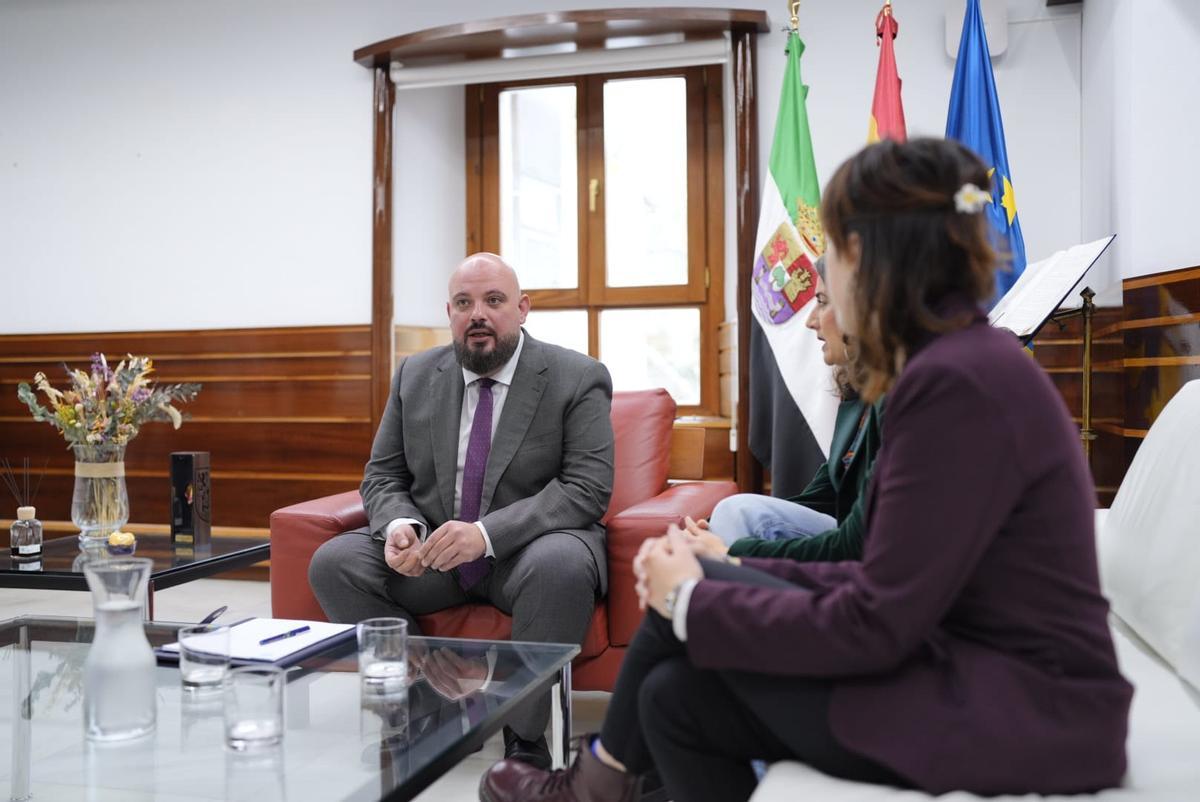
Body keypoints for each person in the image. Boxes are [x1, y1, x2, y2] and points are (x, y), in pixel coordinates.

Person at [479, 138, 1132, 802]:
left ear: (872, 261)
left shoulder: (956, 386)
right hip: (972, 666)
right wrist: (719, 571)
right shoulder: (953, 367)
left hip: (1022, 711)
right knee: (677, 692)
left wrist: (690, 598)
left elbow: (877, 622)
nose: (824, 275)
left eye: (836, 253)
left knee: (684, 657)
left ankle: (593, 787)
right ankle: (602, 784)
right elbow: (876, 569)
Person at [309, 252, 614, 771]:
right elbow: (383, 475)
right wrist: (401, 528)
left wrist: (485, 534)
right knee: (333, 562)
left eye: (494, 301)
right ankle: (431, 704)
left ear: (522, 309)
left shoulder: (576, 376)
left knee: (562, 564)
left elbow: (586, 488)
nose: (479, 314)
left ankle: (524, 733)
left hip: (526, 554)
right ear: (448, 312)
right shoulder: (415, 375)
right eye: (464, 303)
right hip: (435, 555)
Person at [703, 259, 884, 566]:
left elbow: (858, 542)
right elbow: (825, 494)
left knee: (734, 521)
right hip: (856, 541)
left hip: (879, 556)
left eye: (823, 302)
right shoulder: (858, 390)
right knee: (732, 513)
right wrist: (712, 531)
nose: (811, 320)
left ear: (861, 311)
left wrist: (731, 552)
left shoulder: (900, 393)